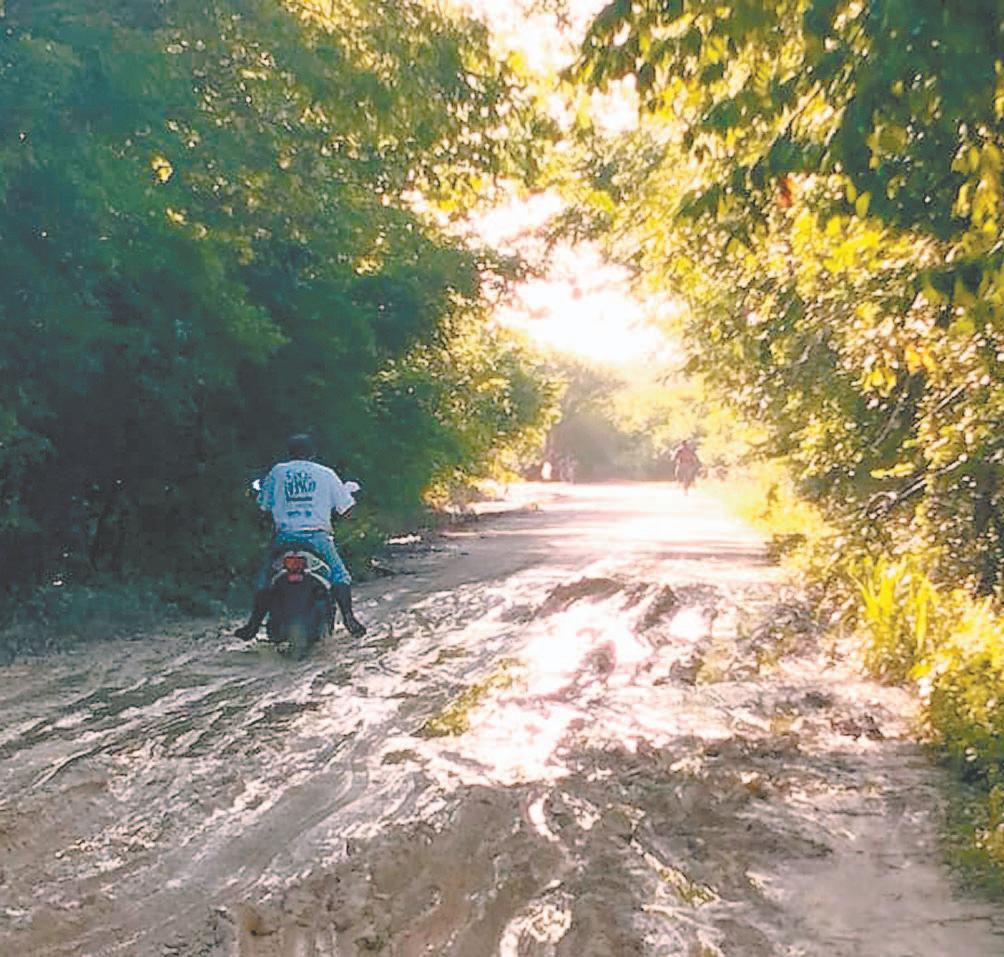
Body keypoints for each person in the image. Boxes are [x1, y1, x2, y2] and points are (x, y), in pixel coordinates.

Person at [235, 433, 366, 641]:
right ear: (312, 454)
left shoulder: (277, 472)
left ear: (289, 452)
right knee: (340, 576)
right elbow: (347, 510)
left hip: (284, 537)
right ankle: (349, 619)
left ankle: (253, 625)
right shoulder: (326, 474)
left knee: (265, 578)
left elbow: (263, 506)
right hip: (318, 538)